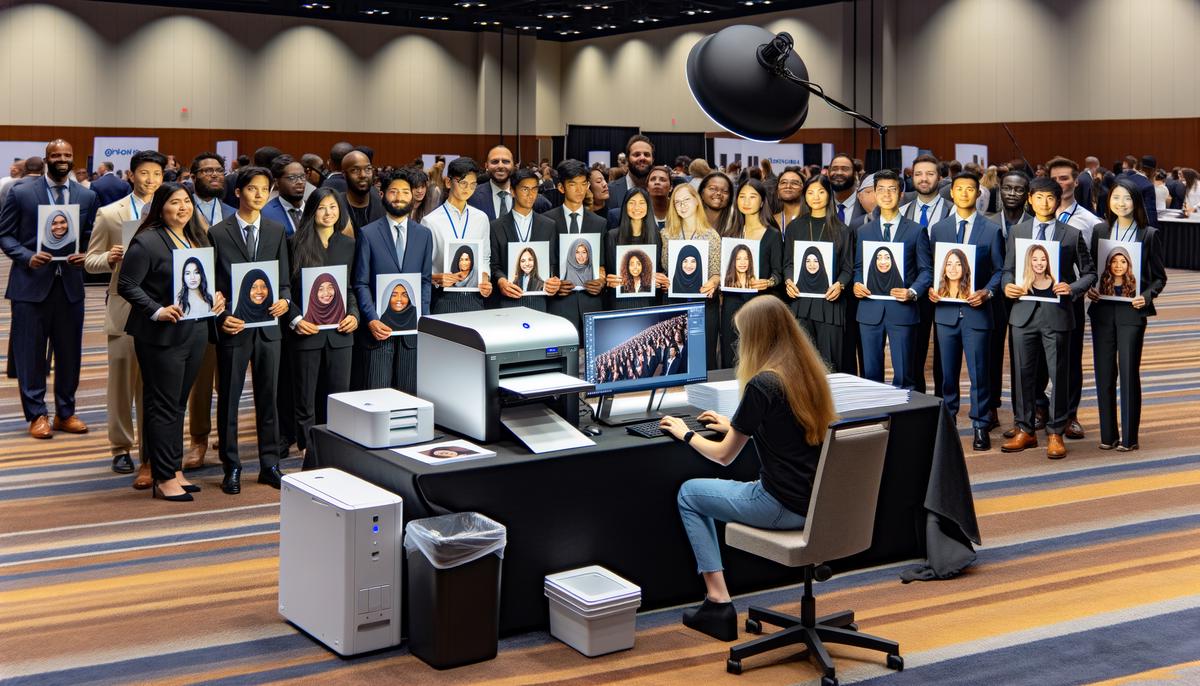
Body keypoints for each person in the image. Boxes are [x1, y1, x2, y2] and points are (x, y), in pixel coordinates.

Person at [660, 295, 837, 642]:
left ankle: (718, 601)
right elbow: (788, 432)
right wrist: (738, 426)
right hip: (818, 504)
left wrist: (686, 434)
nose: (739, 344)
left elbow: (724, 456)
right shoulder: (809, 373)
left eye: (742, 336)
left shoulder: (763, 384)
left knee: (689, 494)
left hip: (780, 505)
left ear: (757, 338)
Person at [117, 183, 226, 502]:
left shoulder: (197, 237)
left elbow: (202, 282)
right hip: (161, 336)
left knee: (177, 403)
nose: (183, 207)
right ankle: (163, 477)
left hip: (195, 331)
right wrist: (156, 310)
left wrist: (216, 297)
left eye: (187, 201)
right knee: (163, 404)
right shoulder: (147, 240)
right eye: (175, 202)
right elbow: (127, 284)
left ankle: (173, 468)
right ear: (160, 207)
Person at [0, 139, 98, 439]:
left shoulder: (86, 195)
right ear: (46, 159)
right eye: (56, 155)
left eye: (67, 154)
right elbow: (5, 235)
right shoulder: (21, 192)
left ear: (73, 158)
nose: (62, 159)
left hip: (69, 286)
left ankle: (65, 413)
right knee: (30, 354)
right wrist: (27, 256)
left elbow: (89, 235)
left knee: (70, 354)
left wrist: (86, 255)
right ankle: (37, 414)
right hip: (30, 286)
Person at [82, 149, 165, 479]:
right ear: (131, 175)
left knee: (153, 384)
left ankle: (150, 451)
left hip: (160, 308)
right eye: (144, 173)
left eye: (157, 174)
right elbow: (90, 261)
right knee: (121, 383)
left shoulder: (172, 210)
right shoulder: (109, 214)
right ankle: (120, 447)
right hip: (123, 308)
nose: (150, 180)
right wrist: (110, 258)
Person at [209, 166, 292, 494]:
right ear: (238, 192)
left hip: (269, 328)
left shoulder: (276, 230)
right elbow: (212, 287)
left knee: (269, 398)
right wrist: (221, 316)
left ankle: (269, 464)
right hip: (235, 326)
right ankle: (231, 466)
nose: (258, 195)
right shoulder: (218, 233)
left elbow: (284, 281)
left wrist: (285, 301)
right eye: (251, 188)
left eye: (264, 189)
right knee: (229, 398)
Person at [1001, 177, 1095, 460]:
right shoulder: (1017, 232)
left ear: (1058, 201)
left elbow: (1089, 272)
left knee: (1059, 375)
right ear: (1030, 200)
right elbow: (1008, 269)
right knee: (1022, 374)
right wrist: (1007, 285)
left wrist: (1073, 288)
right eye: (1039, 197)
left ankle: (1055, 432)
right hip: (1023, 313)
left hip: (1057, 314)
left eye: (1050, 198)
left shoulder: (1071, 234)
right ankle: (1025, 429)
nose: (1044, 203)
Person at [1087, 178, 1167, 451]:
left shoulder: (1148, 234)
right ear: (1108, 201)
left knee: (1129, 372)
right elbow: (1093, 271)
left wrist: (1147, 296)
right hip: (1102, 310)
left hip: (1132, 312)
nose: (1121, 203)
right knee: (1103, 373)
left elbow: (1159, 278)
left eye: (1127, 198)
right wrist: (1092, 288)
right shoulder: (1100, 230)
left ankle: (1130, 438)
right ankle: (1108, 435)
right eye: (1116, 198)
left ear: (1136, 202)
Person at [928, 172, 1004, 451]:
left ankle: (981, 424)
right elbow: (933, 268)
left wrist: (987, 292)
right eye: (959, 189)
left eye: (970, 189)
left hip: (977, 313)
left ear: (978, 194)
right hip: (946, 313)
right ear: (951, 193)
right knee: (947, 375)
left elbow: (1000, 270)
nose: (964, 193)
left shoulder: (991, 229)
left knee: (979, 373)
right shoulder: (939, 230)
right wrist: (931, 289)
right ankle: (948, 424)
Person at [286, 188, 358, 457]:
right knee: (305, 395)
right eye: (322, 207)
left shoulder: (348, 244)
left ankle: (336, 445)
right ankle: (308, 447)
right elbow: (284, 288)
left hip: (340, 332)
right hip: (307, 331)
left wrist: (354, 315)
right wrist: (295, 319)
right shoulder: (294, 243)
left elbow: (350, 287)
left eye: (333, 207)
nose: (328, 213)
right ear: (311, 211)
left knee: (339, 394)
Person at [352, 168, 433, 393]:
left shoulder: (424, 234)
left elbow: (425, 281)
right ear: (382, 194)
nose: (399, 197)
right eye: (393, 191)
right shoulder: (367, 233)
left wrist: (423, 318)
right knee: (377, 394)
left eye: (405, 192)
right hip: (379, 330)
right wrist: (371, 319)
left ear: (413, 195)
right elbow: (360, 282)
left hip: (412, 332)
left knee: (410, 395)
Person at [853, 169, 932, 389]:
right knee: (870, 376)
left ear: (901, 193)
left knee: (905, 374)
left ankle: (904, 412)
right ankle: (875, 411)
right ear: (874, 193)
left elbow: (926, 271)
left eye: (892, 189)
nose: (886, 195)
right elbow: (859, 267)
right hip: (869, 309)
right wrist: (857, 283)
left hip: (903, 309)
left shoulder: (916, 231)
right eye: (881, 190)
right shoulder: (864, 231)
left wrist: (912, 292)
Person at [184, 152, 238, 470]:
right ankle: (199, 440)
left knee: (230, 377)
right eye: (207, 171)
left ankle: (226, 434)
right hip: (198, 306)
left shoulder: (233, 212)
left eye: (219, 170)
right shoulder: (181, 211)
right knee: (201, 380)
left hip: (231, 305)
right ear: (193, 176)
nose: (215, 175)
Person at [782, 174, 854, 371]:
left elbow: (848, 267)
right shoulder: (795, 227)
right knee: (801, 363)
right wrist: (789, 281)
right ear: (804, 196)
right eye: (810, 192)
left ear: (829, 195)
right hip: (800, 302)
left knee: (830, 363)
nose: (815, 197)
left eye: (821, 192)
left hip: (830, 303)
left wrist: (840, 284)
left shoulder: (842, 230)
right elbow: (788, 263)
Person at [900, 155, 952, 395]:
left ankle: (943, 405)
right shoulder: (902, 212)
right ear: (912, 177)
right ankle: (917, 401)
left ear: (939, 178)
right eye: (918, 174)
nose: (924, 179)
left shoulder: (953, 211)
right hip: (915, 290)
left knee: (945, 353)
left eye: (930, 174)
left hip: (946, 291)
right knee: (913, 350)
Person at [718, 179, 782, 367]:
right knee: (731, 355)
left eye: (752, 196)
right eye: (742, 196)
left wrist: (768, 282)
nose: (746, 201)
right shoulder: (729, 234)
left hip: (759, 304)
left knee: (759, 356)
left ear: (762, 202)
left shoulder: (772, 235)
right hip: (731, 303)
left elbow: (779, 273)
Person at [661, 183, 721, 367]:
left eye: (686, 200)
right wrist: (663, 279)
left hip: (703, 305)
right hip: (674, 304)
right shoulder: (666, 234)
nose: (682, 205)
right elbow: (663, 268)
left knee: (703, 359)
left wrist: (713, 282)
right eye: (677, 202)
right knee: (676, 359)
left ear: (696, 201)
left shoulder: (711, 235)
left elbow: (716, 273)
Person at [423, 157, 493, 313]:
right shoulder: (430, 221)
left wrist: (484, 277)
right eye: (463, 183)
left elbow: (484, 257)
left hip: (474, 296)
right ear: (448, 182)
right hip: (442, 297)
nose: (468, 189)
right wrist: (436, 278)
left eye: (473, 184)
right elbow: (423, 266)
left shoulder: (481, 218)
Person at [545, 159, 606, 336]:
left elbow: (602, 263)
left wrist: (601, 282)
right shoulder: (546, 221)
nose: (579, 190)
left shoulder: (599, 223)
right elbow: (543, 261)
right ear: (561, 187)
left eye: (583, 184)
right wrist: (553, 284)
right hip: (559, 302)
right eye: (573, 184)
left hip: (591, 300)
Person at [492, 168, 561, 311]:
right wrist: (501, 280)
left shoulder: (549, 225)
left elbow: (553, 263)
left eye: (534, 189)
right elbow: (494, 264)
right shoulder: (496, 226)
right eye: (525, 189)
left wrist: (554, 279)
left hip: (539, 301)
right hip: (507, 301)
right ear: (512, 191)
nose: (531, 195)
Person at [606, 187, 664, 310]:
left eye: (642, 203)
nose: (637, 207)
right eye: (632, 203)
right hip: (620, 303)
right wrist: (609, 279)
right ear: (625, 206)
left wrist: (661, 278)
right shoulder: (612, 236)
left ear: (648, 207)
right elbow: (608, 272)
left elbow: (660, 269)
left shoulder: (657, 236)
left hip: (650, 302)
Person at [469, 144, 550, 220]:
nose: (500, 166)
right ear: (486, 166)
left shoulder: (536, 200)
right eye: (495, 162)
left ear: (513, 165)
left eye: (506, 162)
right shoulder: (471, 197)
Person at [606, 134, 654, 211]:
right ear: (627, 159)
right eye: (637, 154)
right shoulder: (610, 191)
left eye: (646, 154)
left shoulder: (660, 191)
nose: (642, 158)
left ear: (653, 159)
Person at [341, 150, 384, 234]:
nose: (363, 175)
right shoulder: (336, 205)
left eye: (368, 169)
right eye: (355, 170)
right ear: (344, 175)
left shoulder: (383, 205)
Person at [261, 155, 306, 236]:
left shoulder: (315, 208)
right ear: (276, 182)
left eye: (302, 177)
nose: (300, 182)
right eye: (292, 177)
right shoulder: (266, 213)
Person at [828, 153, 863, 225]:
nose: (839, 173)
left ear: (855, 174)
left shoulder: (865, 203)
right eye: (834, 169)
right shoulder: (822, 202)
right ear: (828, 173)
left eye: (845, 169)